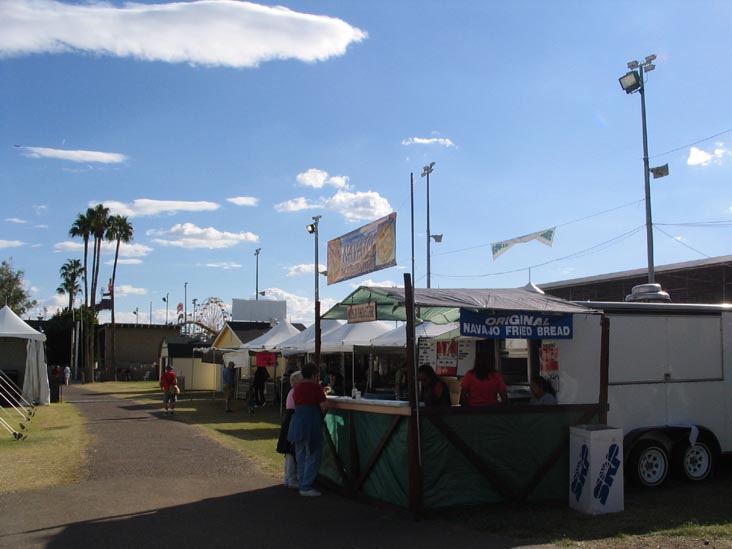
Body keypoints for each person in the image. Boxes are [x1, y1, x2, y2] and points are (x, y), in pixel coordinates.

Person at [287, 362, 328, 497]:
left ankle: (302, 482)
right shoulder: (315, 388)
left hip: (297, 422)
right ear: (315, 375)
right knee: (313, 454)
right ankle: (306, 485)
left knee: (300, 454)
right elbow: (324, 406)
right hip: (311, 423)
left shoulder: (297, 388)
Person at [277, 370, 303, 489]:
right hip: (292, 421)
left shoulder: (292, 391)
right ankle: (291, 479)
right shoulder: (296, 392)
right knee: (291, 451)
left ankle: (288, 478)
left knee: (290, 452)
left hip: (289, 421)